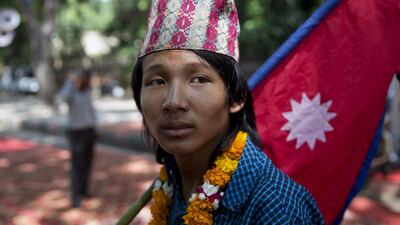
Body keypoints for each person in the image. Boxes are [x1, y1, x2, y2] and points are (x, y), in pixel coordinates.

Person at [131, 0, 325, 224]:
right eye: (157, 81)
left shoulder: (277, 206)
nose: (173, 101)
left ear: (236, 98)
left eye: (199, 79)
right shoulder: (171, 183)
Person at [58, 69, 97, 208]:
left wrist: (95, 127)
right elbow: (61, 98)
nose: (87, 80)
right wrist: (71, 82)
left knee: (87, 163)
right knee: (76, 166)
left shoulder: (88, 90)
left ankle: (84, 190)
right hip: (76, 133)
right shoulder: (71, 91)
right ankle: (75, 196)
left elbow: (91, 110)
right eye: (84, 78)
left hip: (89, 131)